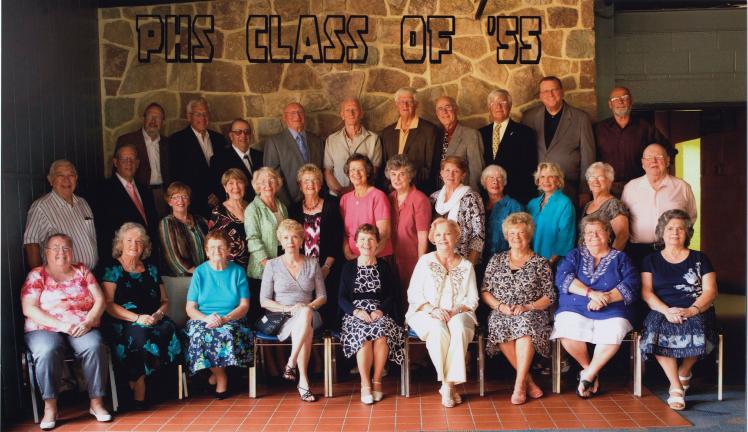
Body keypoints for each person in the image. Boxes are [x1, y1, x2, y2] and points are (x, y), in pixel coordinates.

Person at [21, 233, 111, 429]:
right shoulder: (37, 274)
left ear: (72, 252)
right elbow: (29, 308)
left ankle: (96, 403)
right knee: (46, 350)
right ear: (46, 252)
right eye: (55, 248)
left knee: (94, 346)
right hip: (44, 327)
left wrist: (88, 321)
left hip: (81, 325)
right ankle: (50, 407)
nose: (61, 252)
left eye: (66, 248)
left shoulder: (82, 270)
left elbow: (100, 300)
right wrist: (61, 325)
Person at [551, 216, 640, 398]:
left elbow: (632, 284)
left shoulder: (621, 258)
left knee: (615, 329)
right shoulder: (575, 255)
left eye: (598, 231)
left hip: (613, 307)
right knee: (566, 327)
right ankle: (590, 371)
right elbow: (563, 278)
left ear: (608, 234)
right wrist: (591, 294)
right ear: (583, 236)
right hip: (575, 306)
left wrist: (605, 298)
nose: (593, 236)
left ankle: (588, 374)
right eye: (589, 232)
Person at [640, 209, 718, 411]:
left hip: (696, 307)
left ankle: (684, 371)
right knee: (656, 328)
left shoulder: (700, 258)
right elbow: (646, 292)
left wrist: (692, 310)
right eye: (670, 228)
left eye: (680, 229)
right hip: (662, 308)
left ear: (687, 233)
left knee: (698, 326)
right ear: (662, 232)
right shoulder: (650, 260)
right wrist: (666, 311)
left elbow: (711, 291)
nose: (675, 232)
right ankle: (675, 385)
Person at [101, 223, 181, 410]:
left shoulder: (151, 269)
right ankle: (139, 385)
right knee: (141, 334)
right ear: (120, 244)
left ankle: (157, 384)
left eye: (138, 241)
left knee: (169, 328)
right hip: (124, 320)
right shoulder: (112, 269)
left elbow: (164, 300)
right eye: (129, 240)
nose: (134, 245)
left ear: (144, 246)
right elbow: (108, 304)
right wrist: (137, 318)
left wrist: (159, 314)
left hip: (153, 318)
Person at [480, 212, 555, 405]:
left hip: (532, 311)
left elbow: (549, 296)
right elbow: (485, 291)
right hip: (502, 311)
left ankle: (519, 385)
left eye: (521, 233)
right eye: (512, 233)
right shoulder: (496, 260)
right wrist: (500, 306)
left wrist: (528, 306)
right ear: (506, 236)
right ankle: (527, 381)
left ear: (529, 235)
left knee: (525, 325)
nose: (516, 237)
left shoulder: (540, 262)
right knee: (498, 324)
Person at [406, 218, 479, 408]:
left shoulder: (466, 266)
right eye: (438, 234)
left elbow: (473, 299)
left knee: (459, 327)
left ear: (456, 237)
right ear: (432, 238)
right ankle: (449, 385)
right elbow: (413, 294)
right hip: (425, 311)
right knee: (437, 329)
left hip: (459, 312)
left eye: (447, 234)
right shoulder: (425, 261)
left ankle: (447, 385)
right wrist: (433, 309)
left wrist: (456, 310)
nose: (442, 238)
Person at [260, 220, 327, 402]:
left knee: (305, 314)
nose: (290, 241)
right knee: (304, 328)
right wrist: (288, 309)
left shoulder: (312, 263)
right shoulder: (272, 265)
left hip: (311, 312)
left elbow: (322, 296)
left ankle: (291, 362)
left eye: (295, 237)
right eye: (286, 237)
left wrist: (307, 307)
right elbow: (264, 301)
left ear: (301, 240)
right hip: (282, 316)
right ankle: (303, 381)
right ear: (280, 241)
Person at [339, 224, 405, 404]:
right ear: (355, 243)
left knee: (381, 333)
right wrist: (356, 312)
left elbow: (392, 295)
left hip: (379, 311)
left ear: (377, 243)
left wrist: (380, 310)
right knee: (364, 336)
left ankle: (377, 381)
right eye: (362, 239)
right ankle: (365, 383)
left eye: (370, 239)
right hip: (355, 314)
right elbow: (342, 298)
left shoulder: (384, 267)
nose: (366, 243)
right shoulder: (348, 267)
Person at [184, 230, 251, 399]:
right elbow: (190, 308)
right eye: (212, 248)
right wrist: (206, 318)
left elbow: (244, 306)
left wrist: (225, 319)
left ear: (228, 250)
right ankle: (221, 377)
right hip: (202, 318)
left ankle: (216, 376)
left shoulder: (238, 272)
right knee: (200, 334)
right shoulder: (200, 272)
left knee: (226, 332)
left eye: (221, 247)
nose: (217, 251)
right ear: (206, 251)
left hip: (232, 318)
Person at [521, 76, 595, 206]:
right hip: (537, 189)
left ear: (562, 91)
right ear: (540, 95)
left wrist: (585, 190)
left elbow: (588, 157)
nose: (550, 94)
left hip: (568, 188)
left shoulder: (581, 118)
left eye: (554, 90)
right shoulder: (529, 117)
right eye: (545, 91)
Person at [622, 143, 697, 266]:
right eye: (649, 158)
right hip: (638, 252)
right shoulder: (630, 187)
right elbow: (623, 220)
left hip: (672, 250)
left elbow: (691, 218)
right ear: (643, 163)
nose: (654, 161)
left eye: (659, 157)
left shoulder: (682, 187)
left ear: (668, 161)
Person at [289, 164, 343, 328]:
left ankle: (326, 341)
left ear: (320, 185)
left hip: (328, 268)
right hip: (302, 270)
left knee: (327, 310)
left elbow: (337, 239)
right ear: (300, 186)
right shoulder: (293, 209)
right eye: (306, 181)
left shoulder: (332, 205)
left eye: (314, 180)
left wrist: (326, 267)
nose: (310, 184)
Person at [594, 87, 670, 196]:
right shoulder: (599, 129)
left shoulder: (645, 127)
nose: (620, 101)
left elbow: (668, 151)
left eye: (624, 97)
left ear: (631, 102)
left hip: (639, 187)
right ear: (610, 104)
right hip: (608, 189)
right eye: (615, 99)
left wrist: (660, 177)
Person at [23, 160, 98, 270]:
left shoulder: (83, 203)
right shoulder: (40, 207)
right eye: (60, 175)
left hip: (89, 275)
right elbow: (31, 244)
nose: (66, 180)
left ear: (76, 178)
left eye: (71, 175)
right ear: (50, 180)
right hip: (60, 278)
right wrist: (40, 277)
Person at [94, 144, 160, 265]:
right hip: (121, 261)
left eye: (133, 159)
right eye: (124, 159)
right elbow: (103, 230)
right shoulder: (103, 190)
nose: (129, 163)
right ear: (115, 162)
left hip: (148, 258)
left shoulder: (145, 190)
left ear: (138, 163)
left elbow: (152, 224)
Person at [168, 98, 229, 217]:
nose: (203, 118)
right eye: (198, 114)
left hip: (219, 203)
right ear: (188, 117)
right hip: (193, 204)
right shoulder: (177, 140)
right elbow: (176, 175)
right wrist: (203, 196)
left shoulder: (219, 139)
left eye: (205, 114)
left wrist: (217, 193)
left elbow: (225, 170)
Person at [244, 167, 288, 320]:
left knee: (279, 311)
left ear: (277, 183)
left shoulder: (281, 206)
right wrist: (268, 265)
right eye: (262, 182)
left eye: (271, 180)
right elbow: (253, 239)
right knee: (261, 315)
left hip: (281, 263)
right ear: (257, 185)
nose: (267, 185)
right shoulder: (252, 209)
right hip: (262, 267)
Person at [479, 89, 537, 204]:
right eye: (494, 103)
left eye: (503, 102)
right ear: (489, 107)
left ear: (510, 106)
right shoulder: (480, 133)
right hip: (487, 198)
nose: (498, 106)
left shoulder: (525, 133)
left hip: (515, 197)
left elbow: (530, 168)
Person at [385, 155, 431, 297]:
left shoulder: (420, 199)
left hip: (411, 259)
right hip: (390, 258)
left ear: (410, 176)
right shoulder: (389, 198)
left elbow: (423, 237)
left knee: (410, 297)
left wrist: (420, 266)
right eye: (393, 174)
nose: (397, 179)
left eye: (402, 174)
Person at [115, 102, 170, 217]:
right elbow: (117, 171)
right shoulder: (127, 140)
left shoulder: (168, 143)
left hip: (163, 194)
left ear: (163, 122)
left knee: (163, 224)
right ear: (144, 118)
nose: (153, 121)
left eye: (158, 117)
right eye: (150, 116)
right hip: (138, 193)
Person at [263, 102, 324, 205]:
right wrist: (287, 204)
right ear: (284, 117)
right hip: (290, 203)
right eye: (292, 113)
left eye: (300, 112)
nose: (297, 116)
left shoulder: (317, 141)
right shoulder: (274, 142)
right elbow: (272, 176)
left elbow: (322, 170)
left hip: (317, 201)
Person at [380, 87, 438, 193]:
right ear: (397, 104)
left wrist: (408, 186)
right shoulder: (387, 133)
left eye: (409, 102)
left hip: (418, 190)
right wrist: (390, 187)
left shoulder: (429, 130)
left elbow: (431, 167)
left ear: (416, 104)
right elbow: (384, 166)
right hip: (391, 191)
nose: (405, 105)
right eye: (401, 102)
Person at [430, 156, 485, 265]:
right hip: (436, 258)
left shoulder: (472, 198)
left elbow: (479, 235)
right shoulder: (434, 198)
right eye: (447, 170)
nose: (450, 175)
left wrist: (469, 265)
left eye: (456, 171)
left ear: (463, 175)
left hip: (462, 259)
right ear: (441, 173)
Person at [324, 98, 382, 196]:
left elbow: (375, 171)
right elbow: (328, 171)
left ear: (361, 114)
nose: (351, 113)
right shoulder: (331, 140)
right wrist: (340, 191)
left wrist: (351, 192)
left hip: (364, 195)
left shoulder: (373, 139)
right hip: (337, 196)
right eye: (347, 110)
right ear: (342, 115)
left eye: (354, 109)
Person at [339, 154, 393, 260]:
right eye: (352, 169)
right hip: (352, 258)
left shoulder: (378, 196)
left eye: (360, 169)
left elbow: (384, 234)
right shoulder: (345, 199)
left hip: (376, 257)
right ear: (348, 173)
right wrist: (347, 252)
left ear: (368, 172)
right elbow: (344, 233)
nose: (356, 173)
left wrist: (366, 259)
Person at [526, 162, 575, 266]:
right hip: (530, 261)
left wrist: (550, 262)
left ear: (558, 180)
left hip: (552, 263)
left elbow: (565, 237)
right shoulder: (532, 204)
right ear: (538, 181)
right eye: (542, 177)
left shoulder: (565, 203)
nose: (546, 180)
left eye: (551, 177)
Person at [432, 96, 484, 191]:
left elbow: (476, 172)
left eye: (448, 107)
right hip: (437, 193)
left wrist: (472, 195)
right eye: (440, 108)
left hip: (461, 192)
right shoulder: (433, 134)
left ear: (456, 109)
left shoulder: (471, 135)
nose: (444, 112)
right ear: (436, 113)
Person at [159, 182, 208, 277]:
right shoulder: (166, 223)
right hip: (183, 277)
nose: (180, 200)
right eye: (175, 197)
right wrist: (197, 272)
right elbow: (172, 257)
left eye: (184, 196)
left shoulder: (200, 220)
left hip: (204, 272)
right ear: (169, 202)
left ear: (189, 200)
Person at [210, 118, 263, 203]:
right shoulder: (219, 159)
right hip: (239, 206)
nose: (243, 135)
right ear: (231, 136)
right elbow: (219, 190)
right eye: (238, 132)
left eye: (247, 132)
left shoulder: (261, 156)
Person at [582, 162, 630, 251]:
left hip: (604, 258)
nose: (595, 181)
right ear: (588, 183)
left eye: (600, 177)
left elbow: (622, 236)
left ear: (609, 182)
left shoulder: (614, 205)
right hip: (584, 257)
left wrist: (609, 258)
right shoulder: (588, 205)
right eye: (592, 177)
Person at [209, 169, 250, 269]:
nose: (236, 187)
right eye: (231, 183)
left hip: (255, 265)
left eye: (239, 182)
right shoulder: (218, 212)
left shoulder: (252, 207)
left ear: (244, 185)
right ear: (225, 188)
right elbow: (212, 243)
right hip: (230, 267)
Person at [481, 165, 524, 257]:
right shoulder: (479, 205)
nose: (495, 182)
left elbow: (522, 236)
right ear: (484, 183)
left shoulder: (514, 206)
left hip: (505, 258)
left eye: (499, 178)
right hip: (481, 258)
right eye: (491, 178)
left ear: (504, 182)